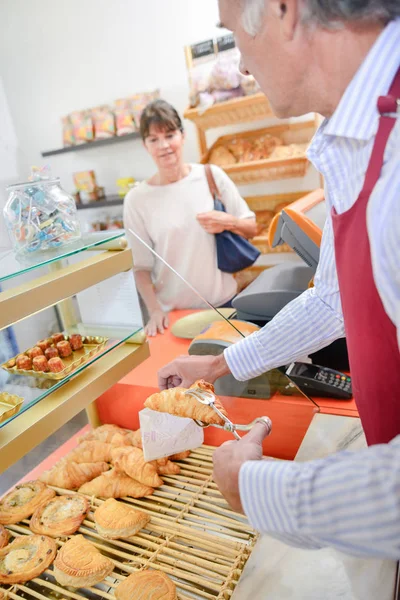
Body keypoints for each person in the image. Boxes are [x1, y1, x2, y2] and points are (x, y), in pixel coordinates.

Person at [158, 0, 400, 557]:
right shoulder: (356, 142)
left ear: (283, 10)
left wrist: (257, 488)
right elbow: (330, 303)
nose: (240, 66)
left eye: (233, 35)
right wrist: (217, 363)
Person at [123, 99, 257, 337]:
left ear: (183, 136)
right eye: (154, 139)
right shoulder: (137, 200)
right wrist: (154, 311)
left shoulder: (211, 176)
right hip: (173, 315)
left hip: (224, 305)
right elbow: (141, 267)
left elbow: (251, 227)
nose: (164, 145)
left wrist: (227, 221)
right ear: (145, 146)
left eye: (170, 135)